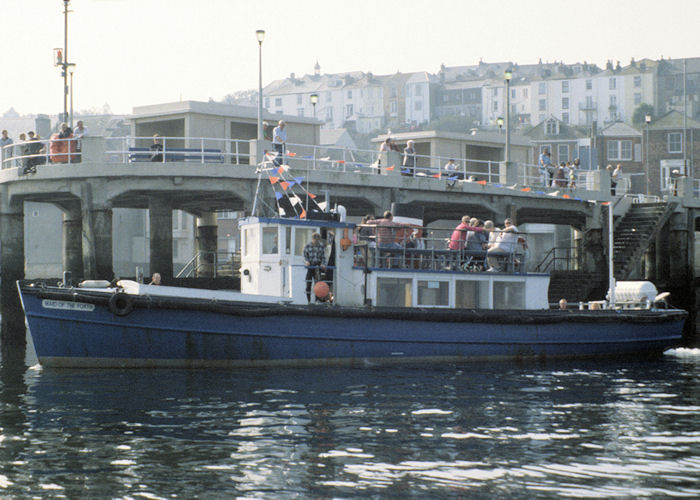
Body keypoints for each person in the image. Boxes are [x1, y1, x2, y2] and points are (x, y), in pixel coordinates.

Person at [303, 232, 326, 302]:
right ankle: (308, 301)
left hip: (318, 266)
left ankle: (316, 300)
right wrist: (306, 262)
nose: (316, 241)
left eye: (317, 240)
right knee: (308, 284)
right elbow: (304, 256)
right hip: (310, 266)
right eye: (315, 240)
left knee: (318, 285)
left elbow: (323, 257)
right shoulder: (307, 246)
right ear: (312, 239)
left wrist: (323, 264)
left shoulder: (321, 246)